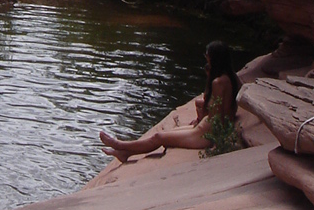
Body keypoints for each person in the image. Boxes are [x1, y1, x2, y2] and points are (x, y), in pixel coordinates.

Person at [99, 41, 241, 162]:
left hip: (206, 134)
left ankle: (119, 145)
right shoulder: (233, 78)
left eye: (207, 56)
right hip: (206, 128)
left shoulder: (217, 82)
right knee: (166, 133)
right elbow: (230, 106)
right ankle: (125, 152)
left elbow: (215, 115)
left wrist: (209, 131)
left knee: (159, 137)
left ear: (214, 59)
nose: (206, 60)